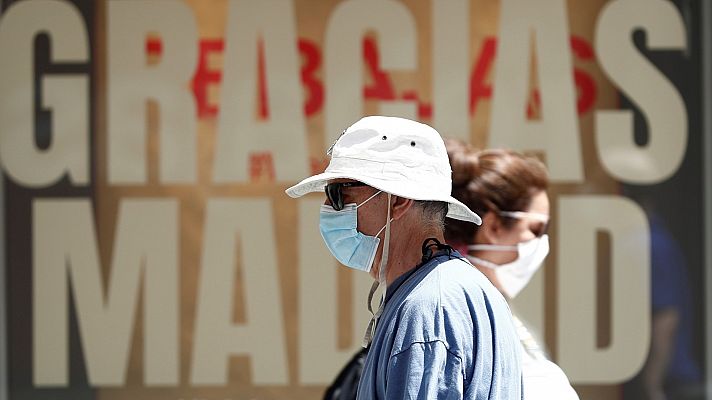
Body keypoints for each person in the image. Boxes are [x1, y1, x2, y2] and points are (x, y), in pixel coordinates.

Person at [286, 116, 522, 399]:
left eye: (338, 193)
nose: (328, 208)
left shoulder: (428, 307)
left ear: (397, 200)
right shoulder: (454, 289)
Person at [444, 139, 578, 399]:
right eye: (536, 229)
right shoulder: (459, 309)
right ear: (493, 227)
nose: (541, 242)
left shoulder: (490, 305)